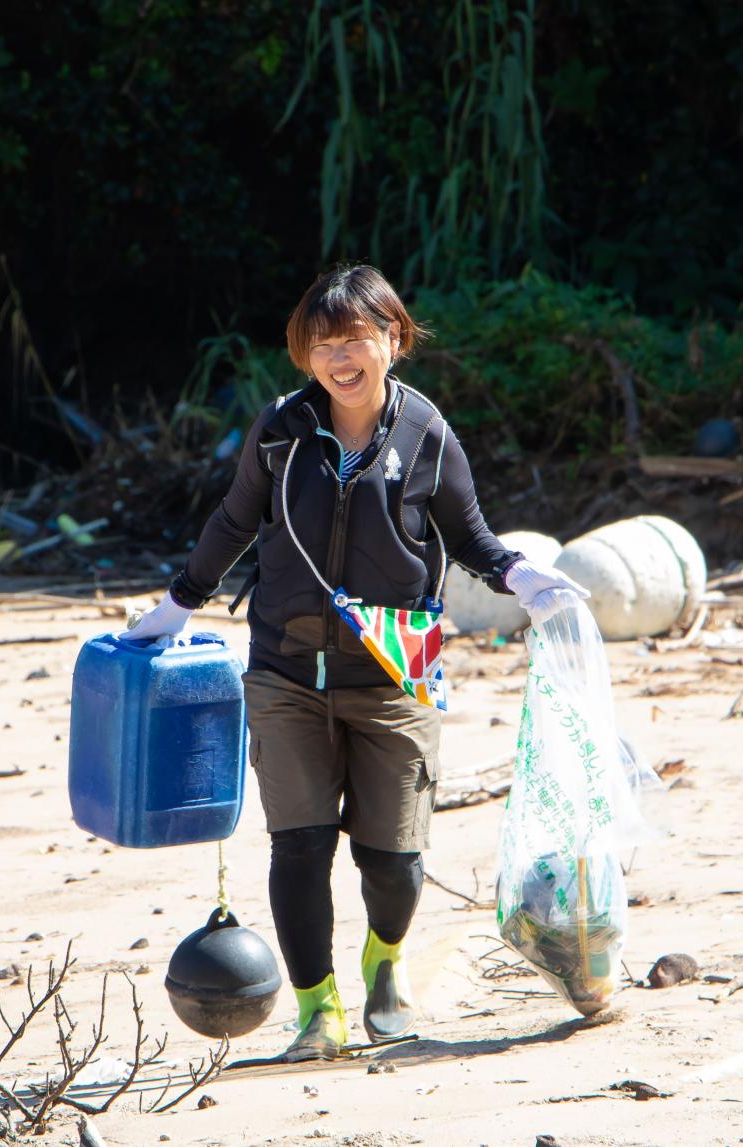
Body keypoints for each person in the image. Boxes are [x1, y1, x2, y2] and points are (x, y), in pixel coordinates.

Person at [128, 264, 584, 1061]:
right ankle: (318, 1011)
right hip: (284, 668)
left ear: (393, 340)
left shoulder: (425, 431)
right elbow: (234, 522)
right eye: (322, 343)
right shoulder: (279, 432)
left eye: (356, 338)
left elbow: (469, 532)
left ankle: (382, 964)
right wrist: (177, 604)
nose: (340, 357)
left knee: (393, 858)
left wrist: (518, 573)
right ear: (304, 355)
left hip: (395, 672)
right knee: (299, 844)